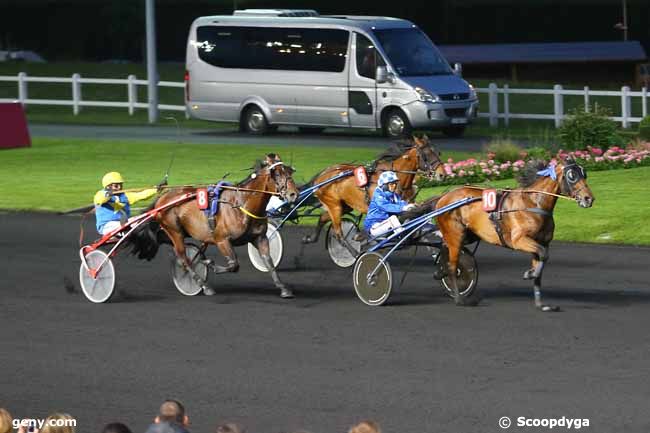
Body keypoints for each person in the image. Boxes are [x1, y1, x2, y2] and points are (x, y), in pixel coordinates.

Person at [94, 171, 164, 235]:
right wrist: (107, 194)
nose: (119, 187)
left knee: (143, 220)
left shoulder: (125, 196)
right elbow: (100, 199)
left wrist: (156, 189)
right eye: (116, 185)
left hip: (124, 223)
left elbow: (141, 195)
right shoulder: (100, 194)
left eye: (120, 185)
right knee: (128, 226)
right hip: (106, 226)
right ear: (108, 186)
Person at [363, 171, 415, 236]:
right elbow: (386, 206)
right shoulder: (378, 196)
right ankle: (403, 236)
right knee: (393, 219)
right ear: (384, 185)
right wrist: (403, 208)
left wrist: (409, 206)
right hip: (374, 226)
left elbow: (400, 203)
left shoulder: (394, 195)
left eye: (395, 184)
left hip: (385, 224)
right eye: (391, 184)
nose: (394, 186)